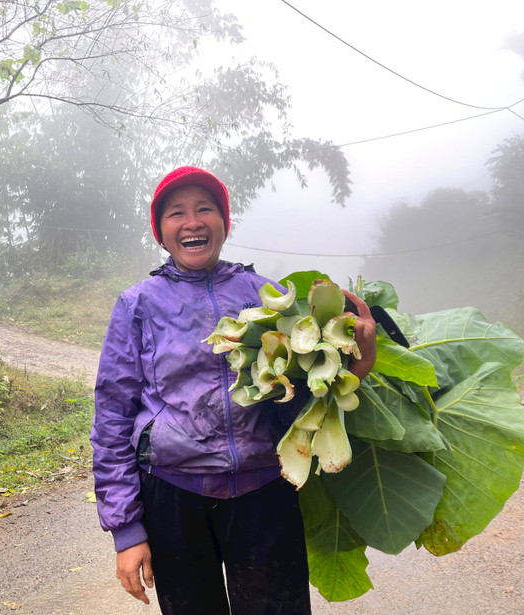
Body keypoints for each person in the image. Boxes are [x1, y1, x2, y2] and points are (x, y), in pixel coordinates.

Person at [91, 166, 377, 615]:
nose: (192, 221)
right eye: (176, 213)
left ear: (224, 222)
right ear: (161, 232)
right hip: (173, 495)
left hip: (264, 490)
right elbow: (112, 417)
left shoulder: (267, 296)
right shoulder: (138, 304)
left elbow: (307, 401)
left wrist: (359, 358)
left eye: (205, 208)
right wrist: (127, 531)